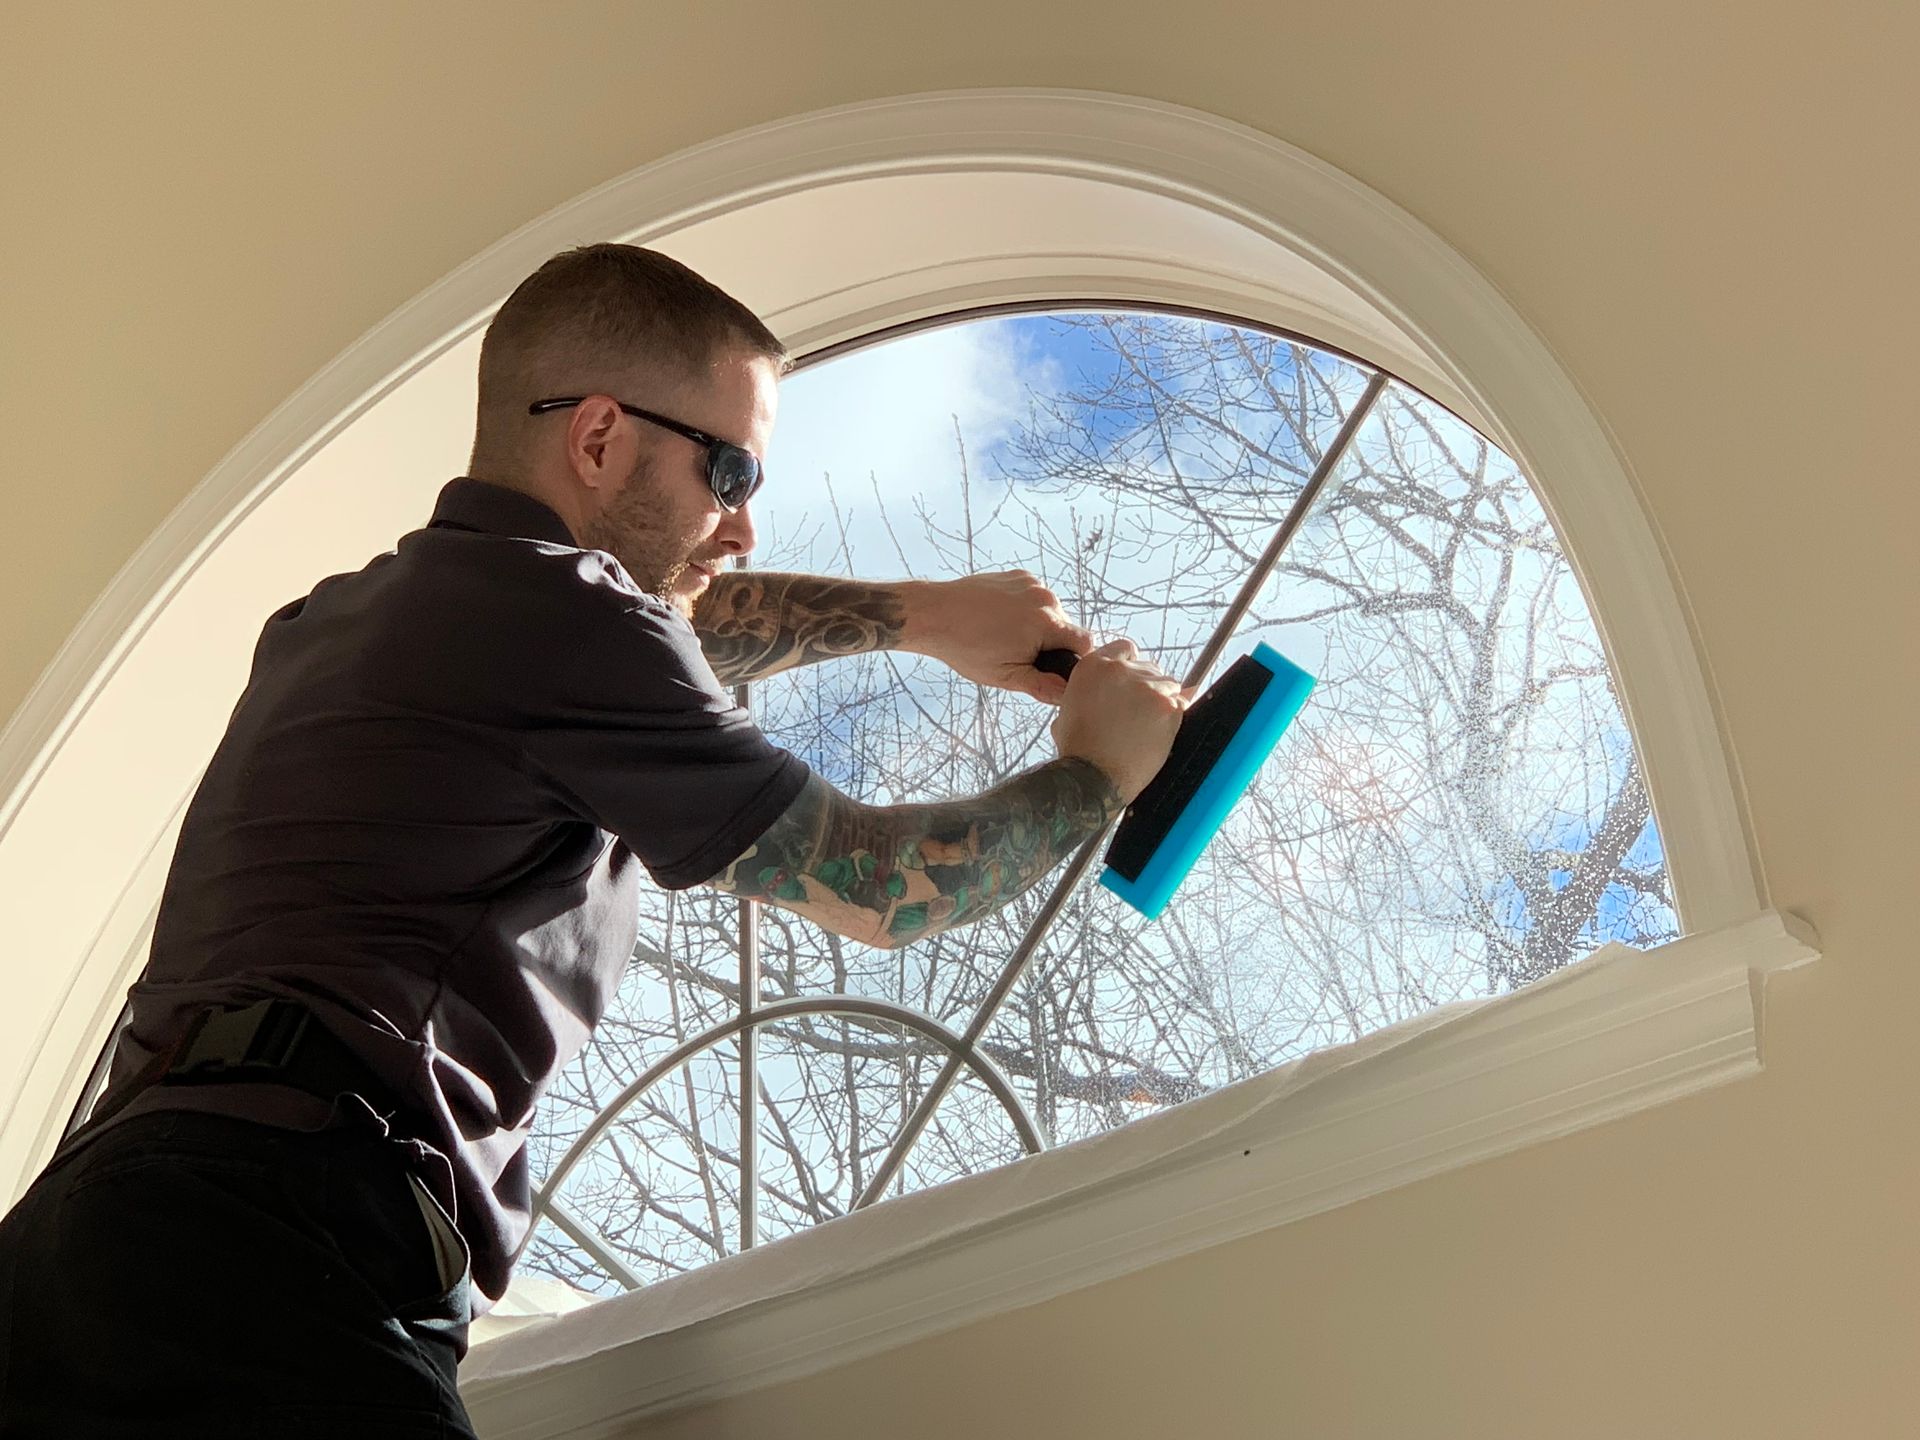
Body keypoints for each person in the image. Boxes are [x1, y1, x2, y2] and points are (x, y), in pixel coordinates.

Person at [0, 244, 1189, 1436]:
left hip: (69, 1256)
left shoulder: (343, 617)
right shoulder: (568, 618)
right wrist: (1098, 774)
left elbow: (673, 631)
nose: (741, 524)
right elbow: (879, 889)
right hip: (279, 1242)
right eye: (729, 470)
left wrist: (921, 616)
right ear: (602, 437)